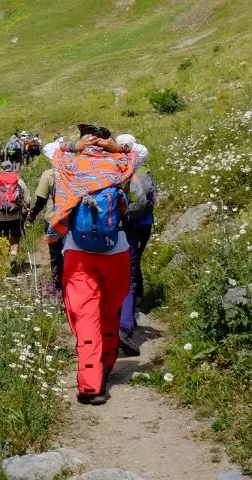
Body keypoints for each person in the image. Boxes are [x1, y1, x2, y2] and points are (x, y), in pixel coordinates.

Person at [44, 125, 136, 405]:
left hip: (78, 251)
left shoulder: (69, 163)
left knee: (87, 317)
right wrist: (115, 147)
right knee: (110, 311)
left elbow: (52, 148)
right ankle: (106, 364)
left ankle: (90, 383)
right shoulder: (120, 164)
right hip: (117, 249)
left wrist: (76, 146)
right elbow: (139, 150)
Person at [115, 133, 157, 357]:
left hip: (125, 227)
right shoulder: (142, 168)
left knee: (126, 275)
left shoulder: (116, 170)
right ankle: (133, 309)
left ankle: (124, 325)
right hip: (144, 225)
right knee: (133, 267)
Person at [0, 160, 28, 269]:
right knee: (15, 239)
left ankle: (6, 261)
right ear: (12, 168)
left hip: (1, 216)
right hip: (16, 215)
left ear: (1, 170)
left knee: (5, 238)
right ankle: (14, 254)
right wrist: (25, 214)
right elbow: (28, 201)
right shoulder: (19, 181)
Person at [28, 165, 63, 294]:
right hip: (73, 220)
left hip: (53, 219)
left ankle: (56, 284)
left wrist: (32, 215)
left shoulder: (49, 174)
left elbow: (41, 200)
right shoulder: (76, 171)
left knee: (55, 254)